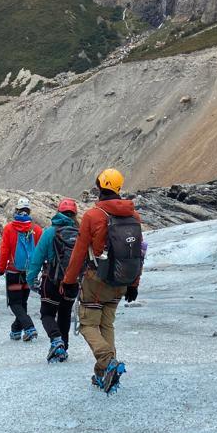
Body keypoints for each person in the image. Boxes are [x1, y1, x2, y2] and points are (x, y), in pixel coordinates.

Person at [62, 168, 143, 394]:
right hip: (121, 281)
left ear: (100, 186)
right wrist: (134, 284)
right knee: (106, 325)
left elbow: (79, 252)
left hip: (96, 280)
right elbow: (137, 254)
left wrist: (68, 281)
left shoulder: (93, 216)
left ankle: (108, 363)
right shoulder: (133, 217)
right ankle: (102, 374)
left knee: (88, 324)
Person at [26, 198, 80, 363]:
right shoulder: (81, 232)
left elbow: (37, 258)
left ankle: (56, 341)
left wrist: (31, 279)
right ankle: (63, 348)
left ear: (59, 212)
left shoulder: (50, 232)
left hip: (52, 280)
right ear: (74, 215)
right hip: (72, 282)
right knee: (64, 314)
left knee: (47, 314)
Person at [0, 197, 43, 341]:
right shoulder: (37, 230)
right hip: (29, 273)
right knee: (23, 302)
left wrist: (0, 270)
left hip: (13, 272)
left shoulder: (9, 228)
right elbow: (40, 251)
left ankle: (29, 327)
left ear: (17, 210)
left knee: (15, 303)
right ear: (29, 211)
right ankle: (16, 330)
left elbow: (5, 251)